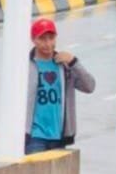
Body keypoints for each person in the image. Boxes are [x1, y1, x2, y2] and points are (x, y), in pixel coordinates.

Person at [25, 18, 96, 154]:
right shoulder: (27, 65)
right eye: (42, 39)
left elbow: (90, 86)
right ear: (34, 40)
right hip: (35, 136)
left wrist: (74, 62)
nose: (48, 43)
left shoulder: (64, 66)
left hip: (58, 135)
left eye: (51, 38)